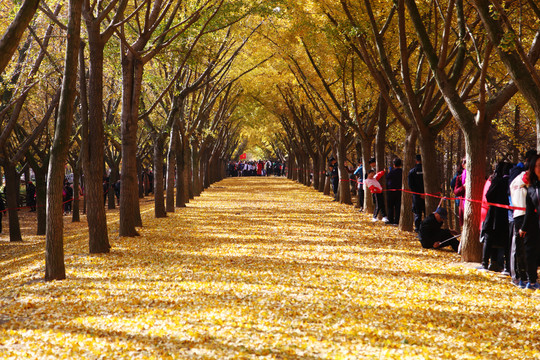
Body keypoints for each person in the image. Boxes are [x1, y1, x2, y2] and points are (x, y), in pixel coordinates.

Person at [481, 162, 510, 272]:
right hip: (505, 215)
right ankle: (506, 266)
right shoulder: (509, 181)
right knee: (505, 241)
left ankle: (485, 263)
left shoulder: (497, 181)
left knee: (489, 238)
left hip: (494, 215)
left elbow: (488, 196)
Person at [518, 153, 540, 290]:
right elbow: (530, 211)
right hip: (536, 225)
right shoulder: (532, 188)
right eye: (538, 166)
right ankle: (532, 281)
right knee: (530, 251)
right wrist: (523, 228)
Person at [408, 154, 425, 232]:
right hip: (426, 195)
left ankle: (418, 230)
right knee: (426, 213)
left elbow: (410, 185)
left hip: (416, 196)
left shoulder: (412, 171)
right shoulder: (427, 171)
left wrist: (418, 193)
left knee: (417, 213)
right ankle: (425, 229)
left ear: (416, 161)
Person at [386, 158, 402, 225]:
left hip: (391, 191)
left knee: (390, 206)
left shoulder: (392, 172)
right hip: (399, 191)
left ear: (394, 165)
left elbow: (387, 178)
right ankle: (397, 221)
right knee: (398, 206)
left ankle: (390, 220)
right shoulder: (402, 171)